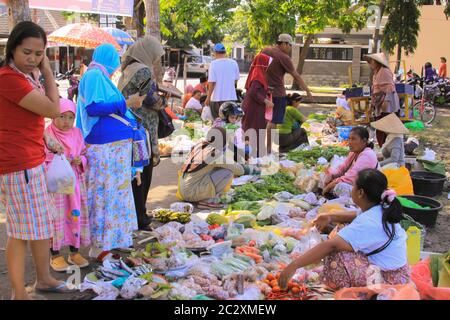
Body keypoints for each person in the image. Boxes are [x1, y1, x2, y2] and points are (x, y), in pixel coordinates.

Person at [0, 21, 74, 299]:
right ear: (13, 49)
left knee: (42, 225)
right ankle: (18, 292)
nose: (33, 59)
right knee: (20, 233)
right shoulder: (9, 78)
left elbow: (25, 118)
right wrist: (47, 71)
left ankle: (43, 278)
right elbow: (54, 109)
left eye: (39, 53)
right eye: (27, 52)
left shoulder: (22, 75)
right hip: (18, 164)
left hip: (31, 160)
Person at [279, 169, 410, 291]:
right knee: (342, 231)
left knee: (337, 255)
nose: (352, 189)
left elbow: (330, 246)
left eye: (353, 186)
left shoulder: (368, 222)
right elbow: (355, 215)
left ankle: (350, 290)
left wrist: (294, 265)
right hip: (397, 272)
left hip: (389, 280)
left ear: (360, 193)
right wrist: (329, 216)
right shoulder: (380, 207)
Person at [76, 43, 144, 257]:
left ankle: (113, 240)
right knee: (105, 194)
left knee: (116, 194)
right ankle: (100, 245)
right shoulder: (95, 75)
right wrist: (127, 102)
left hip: (113, 147)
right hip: (104, 147)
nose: (117, 64)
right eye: (115, 58)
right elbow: (94, 108)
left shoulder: (100, 76)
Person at [117, 35, 167, 232]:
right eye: (155, 55)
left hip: (130, 127)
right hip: (143, 129)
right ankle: (140, 217)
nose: (156, 60)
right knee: (143, 175)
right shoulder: (143, 70)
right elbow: (150, 100)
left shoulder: (129, 68)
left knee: (135, 174)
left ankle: (135, 215)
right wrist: (164, 102)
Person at [44, 98, 90, 271]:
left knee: (74, 217)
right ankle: (55, 254)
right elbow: (43, 157)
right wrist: (59, 157)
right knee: (56, 218)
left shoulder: (77, 133)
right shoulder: (48, 134)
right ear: (54, 116)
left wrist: (80, 160)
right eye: (62, 116)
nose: (66, 122)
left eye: (71, 117)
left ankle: (74, 252)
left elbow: (85, 153)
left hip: (75, 185)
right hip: (56, 188)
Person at [177, 127, 259, 209]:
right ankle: (208, 199)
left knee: (220, 167)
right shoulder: (214, 154)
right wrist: (253, 169)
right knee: (228, 171)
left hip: (183, 190)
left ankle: (204, 195)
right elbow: (240, 170)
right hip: (191, 193)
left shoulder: (201, 145)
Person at [262, 34, 313, 154]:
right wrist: (307, 90)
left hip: (264, 92)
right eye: (290, 45)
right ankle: (270, 149)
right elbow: (296, 76)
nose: (290, 48)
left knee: (266, 121)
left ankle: (266, 148)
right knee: (273, 122)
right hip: (277, 93)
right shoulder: (283, 57)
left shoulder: (265, 50)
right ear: (284, 44)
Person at [323, 127, 378, 198]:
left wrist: (329, 186)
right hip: (356, 185)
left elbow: (351, 178)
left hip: (366, 190)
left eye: (353, 139)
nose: (349, 142)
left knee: (340, 187)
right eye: (349, 139)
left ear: (364, 141)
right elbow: (342, 168)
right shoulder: (354, 153)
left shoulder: (367, 155)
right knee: (326, 177)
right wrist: (331, 175)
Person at [363, 52, 400, 147]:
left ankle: (386, 149)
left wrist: (386, 102)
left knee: (384, 129)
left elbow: (389, 88)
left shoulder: (384, 71)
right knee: (380, 129)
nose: (369, 64)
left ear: (376, 62)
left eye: (370, 62)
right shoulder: (377, 73)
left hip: (387, 104)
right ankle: (383, 148)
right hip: (380, 103)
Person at [242, 53, 274, 157]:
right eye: (267, 64)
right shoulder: (257, 76)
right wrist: (266, 101)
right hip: (253, 108)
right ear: (263, 64)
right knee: (253, 130)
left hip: (255, 107)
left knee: (256, 129)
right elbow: (253, 92)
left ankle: (255, 154)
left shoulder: (259, 74)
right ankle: (251, 155)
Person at [205, 43, 240, 119]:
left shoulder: (213, 64)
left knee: (218, 122)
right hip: (231, 98)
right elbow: (235, 81)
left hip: (217, 99)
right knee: (229, 122)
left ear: (215, 52)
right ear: (225, 52)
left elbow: (212, 83)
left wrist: (208, 98)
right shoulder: (234, 63)